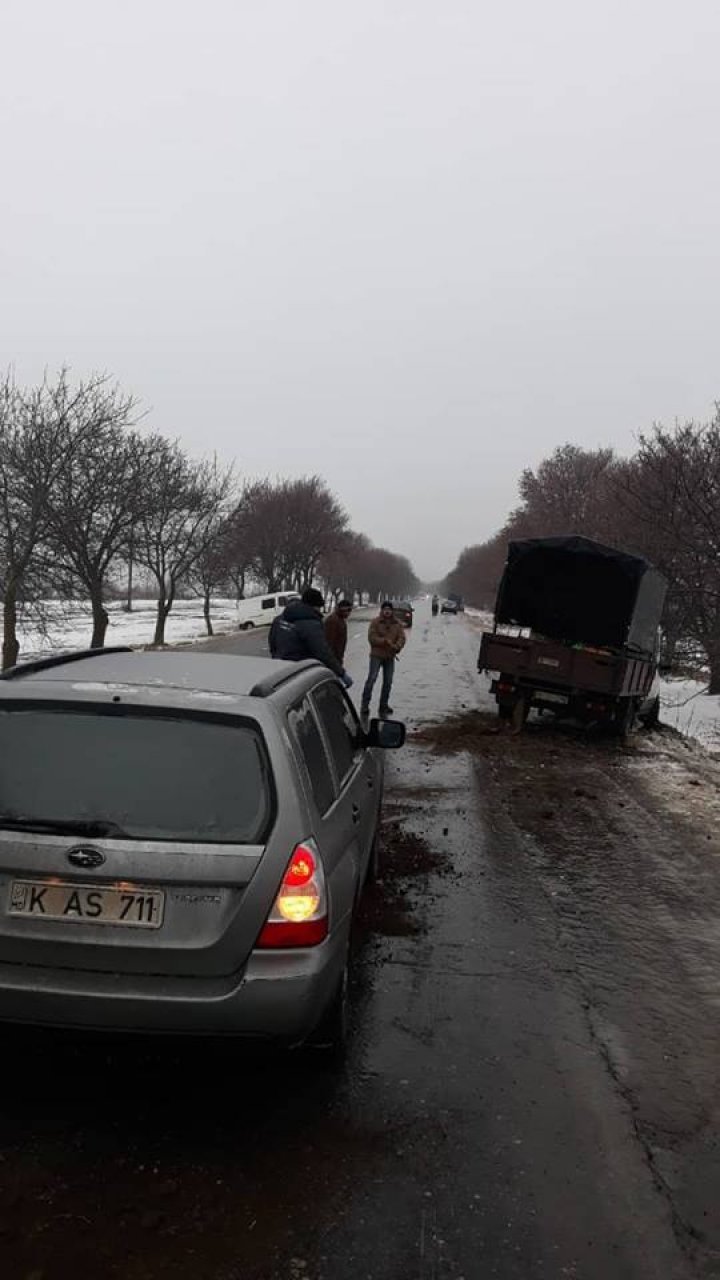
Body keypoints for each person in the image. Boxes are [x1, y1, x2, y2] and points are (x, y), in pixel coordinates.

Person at [269, 588, 353, 686]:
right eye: (319, 607)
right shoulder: (311, 624)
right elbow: (322, 652)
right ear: (313, 606)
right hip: (300, 672)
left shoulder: (279, 620)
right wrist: (341, 673)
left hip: (280, 671)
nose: (319, 610)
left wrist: (277, 659)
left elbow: (272, 643)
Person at [361, 600, 406, 718]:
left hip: (390, 656)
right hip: (376, 655)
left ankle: (383, 705)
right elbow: (372, 637)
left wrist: (397, 647)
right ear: (382, 610)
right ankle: (365, 705)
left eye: (389, 610)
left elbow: (402, 637)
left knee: (388, 682)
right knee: (372, 679)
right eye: (385, 609)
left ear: (392, 611)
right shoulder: (375, 622)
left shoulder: (397, 624)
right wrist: (384, 642)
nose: (387, 612)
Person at [324, 599, 353, 664]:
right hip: (333, 658)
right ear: (343, 610)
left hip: (337, 656)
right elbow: (329, 641)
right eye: (349, 610)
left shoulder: (340, 620)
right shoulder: (333, 620)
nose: (349, 613)